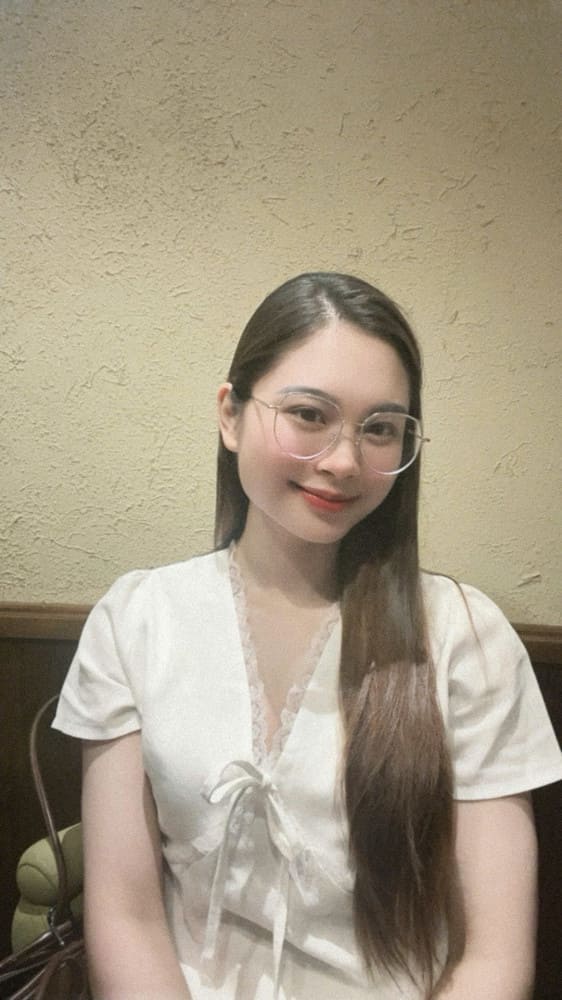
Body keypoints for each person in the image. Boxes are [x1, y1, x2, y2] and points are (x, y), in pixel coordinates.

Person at [53, 272, 562, 1000]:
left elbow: (493, 956)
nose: (344, 461)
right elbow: (126, 916)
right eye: (308, 414)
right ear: (231, 415)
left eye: (380, 428)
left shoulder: (466, 638)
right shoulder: (138, 619)